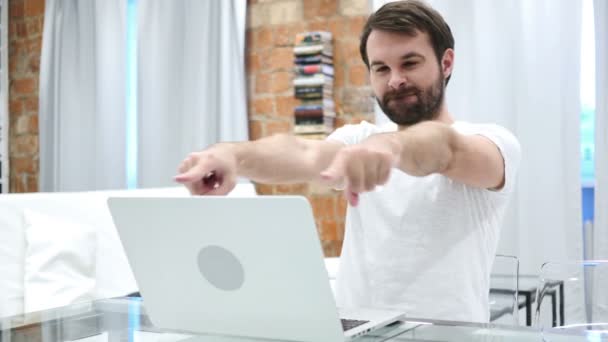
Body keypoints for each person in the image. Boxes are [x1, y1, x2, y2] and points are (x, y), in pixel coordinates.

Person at [175, 0, 520, 323]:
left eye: (410, 63)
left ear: (446, 63)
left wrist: (390, 148)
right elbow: (304, 153)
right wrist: (233, 156)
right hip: (356, 331)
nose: (395, 79)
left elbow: (445, 150)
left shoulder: (492, 143)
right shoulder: (360, 139)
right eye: (381, 68)